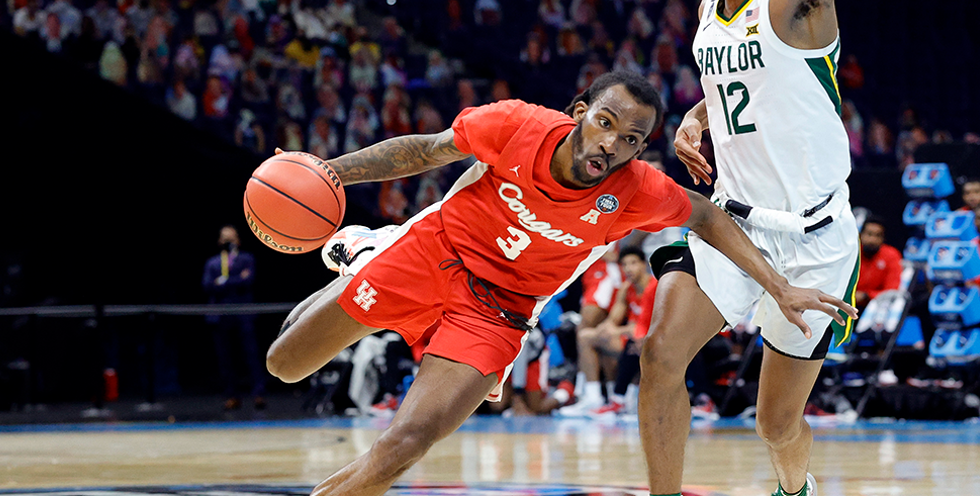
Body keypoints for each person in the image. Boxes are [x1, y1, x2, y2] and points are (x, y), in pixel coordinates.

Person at [265, 71, 854, 496]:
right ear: (579, 111)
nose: (611, 144)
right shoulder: (514, 123)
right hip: (427, 256)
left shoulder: (636, 190)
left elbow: (707, 215)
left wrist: (776, 284)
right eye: (605, 123)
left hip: (495, 312)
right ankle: (373, 248)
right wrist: (326, 172)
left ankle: (367, 255)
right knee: (283, 365)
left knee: (406, 444)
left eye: (631, 139)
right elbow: (424, 150)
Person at [641, 0, 880, 496]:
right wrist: (697, 115)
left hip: (812, 238)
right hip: (732, 226)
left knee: (775, 423)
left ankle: (794, 489)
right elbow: (742, 87)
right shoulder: (711, 12)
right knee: (658, 355)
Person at [562, 247, 657, 416]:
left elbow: (643, 327)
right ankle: (595, 398)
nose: (628, 268)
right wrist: (603, 330)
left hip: (653, 342)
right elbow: (612, 320)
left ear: (644, 265)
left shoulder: (654, 287)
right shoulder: (627, 288)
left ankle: (621, 399)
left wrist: (616, 330)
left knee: (634, 342)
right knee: (586, 336)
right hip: (632, 340)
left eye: (633, 263)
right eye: (625, 264)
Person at [203, 225, 266, 410]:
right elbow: (208, 286)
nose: (228, 241)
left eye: (231, 237)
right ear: (219, 241)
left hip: (243, 314)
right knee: (225, 358)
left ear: (238, 240)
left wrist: (223, 282)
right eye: (224, 238)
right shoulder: (213, 263)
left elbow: (249, 281)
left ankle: (259, 394)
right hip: (221, 316)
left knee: (251, 355)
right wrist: (236, 279)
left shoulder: (247, 259)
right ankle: (232, 395)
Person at [855, 216, 902, 309]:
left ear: (883, 238)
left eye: (878, 235)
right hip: (847, 303)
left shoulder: (891, 255)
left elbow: (891, 290)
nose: (872, 240)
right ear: (860, 235)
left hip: (877, 307)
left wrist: (867, 296)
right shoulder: (852, 252)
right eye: (869, 234)